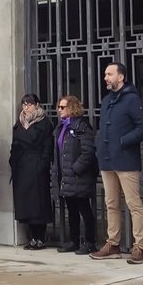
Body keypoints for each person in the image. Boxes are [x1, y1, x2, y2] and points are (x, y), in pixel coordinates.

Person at [90, 63, 143, 264]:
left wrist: (124, 141)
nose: (105, 77)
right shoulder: (107, 100)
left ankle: (139, 246)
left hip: (126, 160)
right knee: (111, 204)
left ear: (121, 77)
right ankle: (113, 244)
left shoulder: (133, 100)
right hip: (107, 160)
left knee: (133, 203)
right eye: (105, 74)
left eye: (109, 74)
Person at [54, 95, 97, 255]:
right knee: (71, 209)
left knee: (84, 209)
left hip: (79, 176)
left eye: (63, 107)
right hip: (66, 176)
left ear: (72, 108)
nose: (59, 110)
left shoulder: (81, 126)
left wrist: (76, 168)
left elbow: (88, 151)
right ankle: (74, 240)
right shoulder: (61, 127)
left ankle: (90, 242)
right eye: (59, 107)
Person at [11, 94, 54, 250]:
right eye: (24, 104)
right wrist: (13, 162)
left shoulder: (44, 123)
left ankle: (40, 237)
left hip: (36, 165)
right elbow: (15, 145)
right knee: (26, 204)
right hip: (22, 166)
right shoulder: (20, 122)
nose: (26, 107)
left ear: (37, 105)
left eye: (29, 104)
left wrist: (42, 164)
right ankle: (31, 238)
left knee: (38, 203)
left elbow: (47, 147)